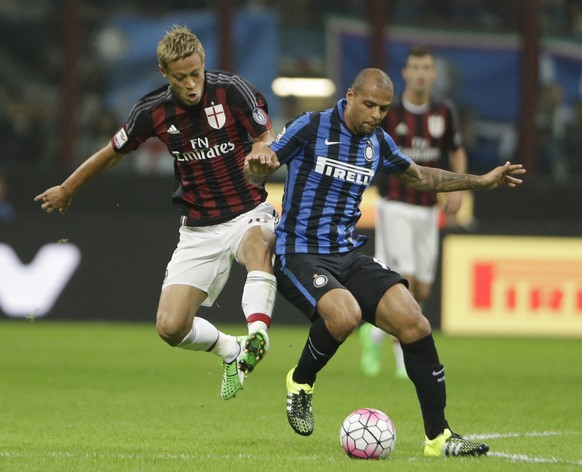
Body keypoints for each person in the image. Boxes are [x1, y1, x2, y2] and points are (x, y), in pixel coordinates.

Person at [244, 68, 525, 457]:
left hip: (347, 253)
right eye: (370, 105)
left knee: (414, 321)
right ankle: (301, 381)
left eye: (383, 108)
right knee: (344, 315)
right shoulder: (311, 126)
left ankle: (439, 437)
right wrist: (257, 164)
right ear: (351, 96)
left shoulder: (377, 142)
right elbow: (264, 159)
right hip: (299, 252)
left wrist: (479, 181)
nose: (376, 115)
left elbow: (421, 176)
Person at [35, 26, 278, 401]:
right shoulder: (153, 111)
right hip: (198, 228)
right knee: (169, 327)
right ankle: (232, 350)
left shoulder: (232, 90)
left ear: (204, 64)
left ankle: (258, 333)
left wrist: (263, 150)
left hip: (248, 211)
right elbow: (112, 152)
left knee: (259, 245)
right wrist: (68, 188)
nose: (192, 84)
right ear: (164, 73)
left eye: (196, 74)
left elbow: (265, 135)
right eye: (181, 78)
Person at [359, 46, 468, 380]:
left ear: (434, 73)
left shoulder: (444, 112)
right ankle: (402, 352)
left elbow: (456, 150)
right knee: (402, 281)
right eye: (415, 67)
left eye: (427, 67)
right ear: (405, 73)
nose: (421, 73)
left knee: (423, 289)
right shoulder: (389, 113)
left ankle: (375, 332)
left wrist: (459, 187)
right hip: (395, 204)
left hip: (426, 210)